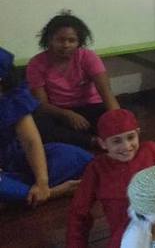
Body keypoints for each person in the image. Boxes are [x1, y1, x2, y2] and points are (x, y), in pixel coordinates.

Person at [67, 109, 155, 248]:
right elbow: (79, 211)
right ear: (103, 143)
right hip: (125, 234)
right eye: (116, 141)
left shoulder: (152, 150)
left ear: (138, 133)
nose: (126, 146)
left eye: (130, 137)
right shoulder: (97, 168)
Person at [0, 47, 91, 206]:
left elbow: (30, 141)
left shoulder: (12, 96)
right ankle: (54, 192)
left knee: (70, 155)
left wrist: (42, 182)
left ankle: (31, 191)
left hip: (13, 157)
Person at [27, 11, 120, 150]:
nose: (66, 45)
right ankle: (93, 141)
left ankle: (98, 138)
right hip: (58, 111)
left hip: (91, 107)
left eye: (71, 40)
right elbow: (41, 105)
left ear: (79, 42)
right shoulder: (36, 63)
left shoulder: (88, 57)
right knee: (38, 126)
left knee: (121, 115)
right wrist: (67, 115)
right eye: (60, 40)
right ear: (49, 40)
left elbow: (107, 94)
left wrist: (120, 125)